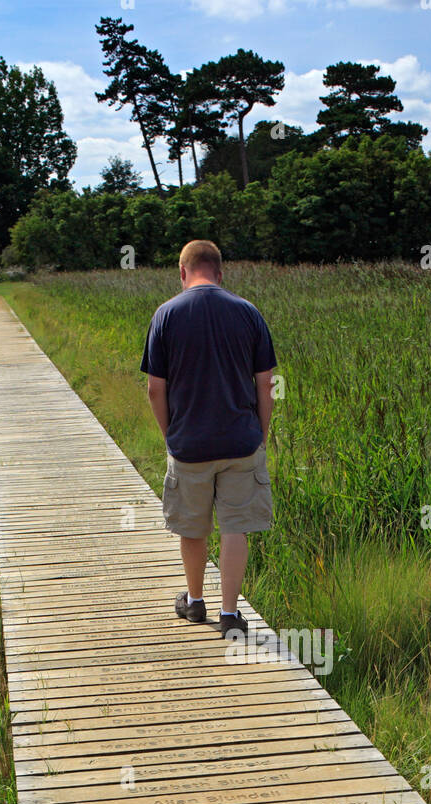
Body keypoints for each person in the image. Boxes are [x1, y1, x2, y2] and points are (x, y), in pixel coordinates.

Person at [140, 239, 277, 637]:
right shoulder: (248, 312)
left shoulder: (165, 315)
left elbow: (154, 389)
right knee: (235, 526)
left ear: (182, 273)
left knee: (192, 527)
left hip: (190, 444)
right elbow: (265, 384)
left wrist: (172, 437)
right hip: (241, 442)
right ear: (220, 272)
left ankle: (195, 602)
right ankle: (231, 614)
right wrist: (258, 435)